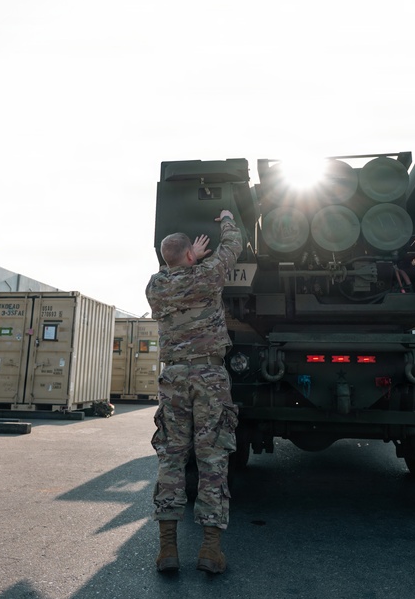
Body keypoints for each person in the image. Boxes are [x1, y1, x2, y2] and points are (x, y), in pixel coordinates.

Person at [145, 209, 243, 574]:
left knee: (171, 457)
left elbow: (169, 270)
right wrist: (227, 219)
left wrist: (184, 260)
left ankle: (167, 550)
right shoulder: (208, 275)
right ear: (191, 254)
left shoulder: (155, 286)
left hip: (173, 379)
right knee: (212, 459)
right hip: (209, 377)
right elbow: (234, 245)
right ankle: (210, 550)